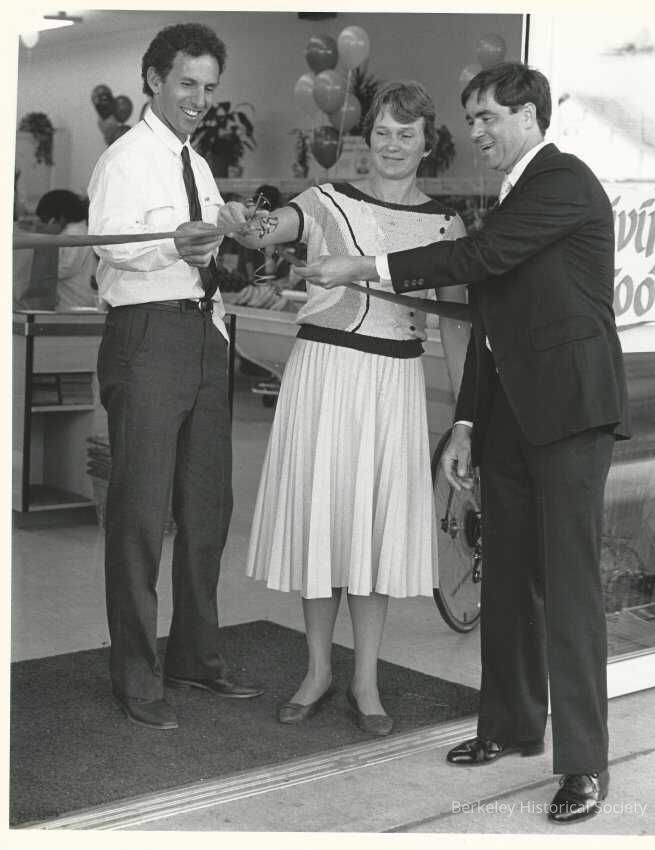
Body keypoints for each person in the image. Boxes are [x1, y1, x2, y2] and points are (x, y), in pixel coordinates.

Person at [291, 62, 631, 822]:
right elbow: (490, 319)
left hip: (570, 415)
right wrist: (468, 424)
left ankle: (585, 765)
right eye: (470, 118)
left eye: (486, 117)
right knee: (504, 579)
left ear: (529, 115)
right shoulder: (512, 196)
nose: (474, 131)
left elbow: (478, 259)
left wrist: (365, 265)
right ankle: (509, 726)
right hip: (509, 419)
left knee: (569, 591)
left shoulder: (563, 181)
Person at [218, 81, 466, 736]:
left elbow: (457, 326)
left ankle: (366, 681)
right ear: (367, 138)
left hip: (392, 382)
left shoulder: (446, 225)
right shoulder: (326, 199)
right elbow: (274, 228)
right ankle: (317, 671)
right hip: (323, 375)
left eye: (406, 134)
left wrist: (466, 420)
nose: (392, 145)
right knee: (323, 522)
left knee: (373, 530)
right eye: (382, 132)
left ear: (428, 144)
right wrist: (247, 222)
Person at [88, 22, 263, 731]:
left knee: (208, 508)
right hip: (147, 338)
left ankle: (195, 657)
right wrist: (173, 241)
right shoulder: (125, 160)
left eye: (209, 87)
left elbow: (206, 242)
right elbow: (110, 245)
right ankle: (136, 676)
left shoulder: (198, 163)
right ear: (154, 80)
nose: (199, 98)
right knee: (140, 514)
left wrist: (230, 230)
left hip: (203, 333)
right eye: (187, 83)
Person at [35, 189, 99, 311]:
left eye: (45, 220)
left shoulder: (73, 235)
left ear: (61, 217)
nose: (42, 225)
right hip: (75, 301)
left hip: (74, 303)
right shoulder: (78, 231)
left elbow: (64, 269)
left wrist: (41, 263)